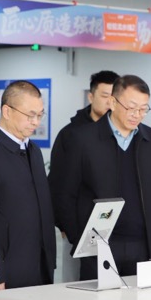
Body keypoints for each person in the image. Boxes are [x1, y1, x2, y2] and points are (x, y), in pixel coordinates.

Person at [58, 74, 151, 280]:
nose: (137, 115)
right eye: (131, 107)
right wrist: (80, 239)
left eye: (143, 109)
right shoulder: (83, 139)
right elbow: (66, 195)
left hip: (144, 245)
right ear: (113, 102)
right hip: (99, 247)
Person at [0, 80, 56, 288]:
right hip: (7, 271)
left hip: (40, 267)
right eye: (30, 115)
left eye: (40, 115)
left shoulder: (34, 152)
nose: (36, 122)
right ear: (7, 111)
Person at [49, 70, 119, 232]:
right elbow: (58, 182)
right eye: (104, 96)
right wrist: (64, 225)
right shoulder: (70, 134)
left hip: (115, 223)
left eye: (114, 97)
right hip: (79, 225)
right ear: (91, 97)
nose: (109, 102)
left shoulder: (122, 133)